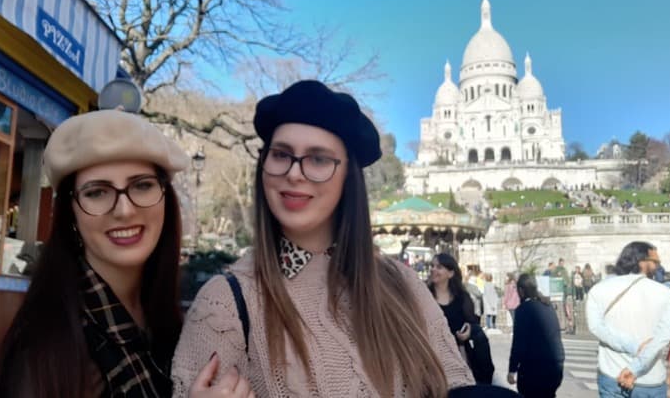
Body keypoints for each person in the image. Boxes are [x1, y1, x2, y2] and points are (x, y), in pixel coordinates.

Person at [171, 80, 474, 396]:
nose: (294, 173)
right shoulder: (225, 303)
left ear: (348, 178)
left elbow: (457, 383)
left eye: (318, 159)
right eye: (281, 154)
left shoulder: (403, 286)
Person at [0, 110, 244, 397]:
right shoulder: (48, 351)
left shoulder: (168, 321)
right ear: (70, 213)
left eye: (142, 185)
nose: (124, 210)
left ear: (166, 199)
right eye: (97, 192)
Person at [586, 242, 670, 397]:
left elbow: (596, 327)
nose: (658, 267)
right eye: (655, 262)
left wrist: (631, 346)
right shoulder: (665, 294)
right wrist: (635, 367)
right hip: (650, 379)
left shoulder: (598, 290)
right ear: (642, 262)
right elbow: (662, 339)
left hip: (612, 374)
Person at [430, 253, 495, 385]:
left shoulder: (462, 298)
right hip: (433, 358)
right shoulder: (425, 296)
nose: (433, 270)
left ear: (450, 273)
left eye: (439, 267)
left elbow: (473, 324)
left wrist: (469, 331)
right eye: (432, 266)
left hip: (459, 356)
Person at [507, 274, 565, 398]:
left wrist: (512, 370)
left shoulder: (523, 310)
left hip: (535, 371)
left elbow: (518, 343)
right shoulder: (547, 306)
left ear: (521, 291)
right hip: (555, 367)